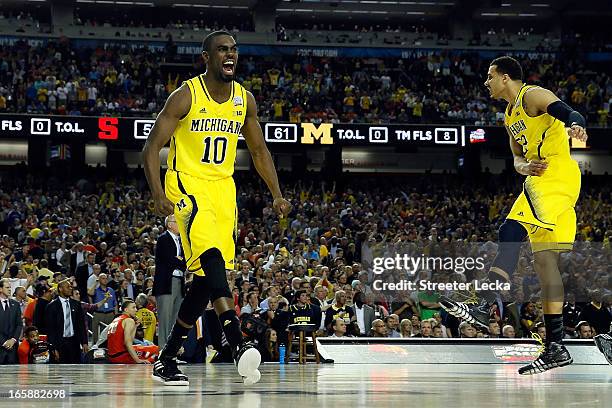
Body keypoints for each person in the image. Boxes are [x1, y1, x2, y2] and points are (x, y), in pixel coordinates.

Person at [143, 30, 291, 386]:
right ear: (206, 57)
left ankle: (166, 359)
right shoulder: (186, 95)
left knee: (206, 285)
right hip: (187, 184)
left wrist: (276, 193)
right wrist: (157, 191)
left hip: (223, 189)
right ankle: (238, 343)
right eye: (222, 50)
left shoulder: (245, 100)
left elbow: (258, 151)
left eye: (234, 50)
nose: (230, 55)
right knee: (210, 259)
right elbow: (151, 146)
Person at [440, 56, 588, 375]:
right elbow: (517, 160)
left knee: (510, 228)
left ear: (505, 77)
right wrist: (524, 166)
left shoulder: (531, 95)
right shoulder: (509, 116)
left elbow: (562, 109)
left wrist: (577, 122)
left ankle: (482, 306)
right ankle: (556, 347)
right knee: (546, 263)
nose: (486, 82)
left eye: (490, 77)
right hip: (542, 178)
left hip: (556, 175)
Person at [154, 214, 186, 349]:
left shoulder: (182, 241)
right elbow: (168, 260)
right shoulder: (163, 239)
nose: (179, 224)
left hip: (179, 281)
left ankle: (172, 352)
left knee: (175, 319)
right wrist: (179, 260)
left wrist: (179, 260)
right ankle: (163, 351)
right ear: (169, 224)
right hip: (167, 283)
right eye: (176, 221)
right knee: (165, 319)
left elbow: (185, 262)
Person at [44, 279, 89, 363]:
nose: (70, 288)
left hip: (74, 342)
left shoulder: (76, 304)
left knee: (75, 371)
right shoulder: (52, 306)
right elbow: (51, 329)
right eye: (68, 287)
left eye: (71, 287)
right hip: (59, 343)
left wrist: (84, 342)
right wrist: (53, 347)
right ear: (60, 289)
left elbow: (81, 325)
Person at [107, 299, 158, 364]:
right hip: (122, 356)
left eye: (136, 307)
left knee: (139, 346)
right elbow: (128, 343)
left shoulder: (116, 319)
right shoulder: (128, 320)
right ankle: (147, 363)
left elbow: (130, 340)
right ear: (126, 310)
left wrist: (135, 326)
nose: (136, 310)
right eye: (133, 308)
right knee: (157, 349)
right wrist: (138, 361)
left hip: (112, 356)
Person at [0, 278, 23, 364]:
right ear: (0, 289)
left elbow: (19, 324)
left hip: (13, 348)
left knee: (13, 376)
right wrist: (4, 342)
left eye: (10, 287)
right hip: (0, 346)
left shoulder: (15, 304)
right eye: (7, 287)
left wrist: (13, 340)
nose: (10, 289)